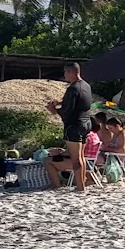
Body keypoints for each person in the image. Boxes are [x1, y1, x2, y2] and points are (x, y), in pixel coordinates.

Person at [46, 62, 94, 194]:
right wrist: (60, 102)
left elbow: (67, 111)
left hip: (74, 125)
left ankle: (80, 187)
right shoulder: (86, 85)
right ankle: (82, 184)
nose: (64, 75)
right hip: (86, 123)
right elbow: (83, 101)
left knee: (76, 159)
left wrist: (54, 110)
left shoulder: (72, 88)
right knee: (81, 157)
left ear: (71, 72)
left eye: (65, 72)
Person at [99, 113, 125, 181]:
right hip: (111, 155)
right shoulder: (116, 134)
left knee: (92, 159)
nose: (110, 130)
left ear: (117, 126)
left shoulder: (123, 135)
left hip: (115, 158)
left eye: (111, 128)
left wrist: (106, 148)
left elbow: (122, 150)